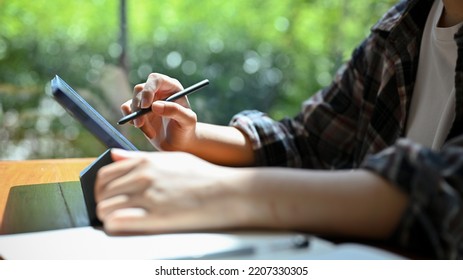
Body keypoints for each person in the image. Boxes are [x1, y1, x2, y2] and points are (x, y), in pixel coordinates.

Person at [95, 0, 463, 259]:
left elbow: (447, 188)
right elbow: (308, 142)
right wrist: (193, 137)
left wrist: (222, 192)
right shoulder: (403, 27)